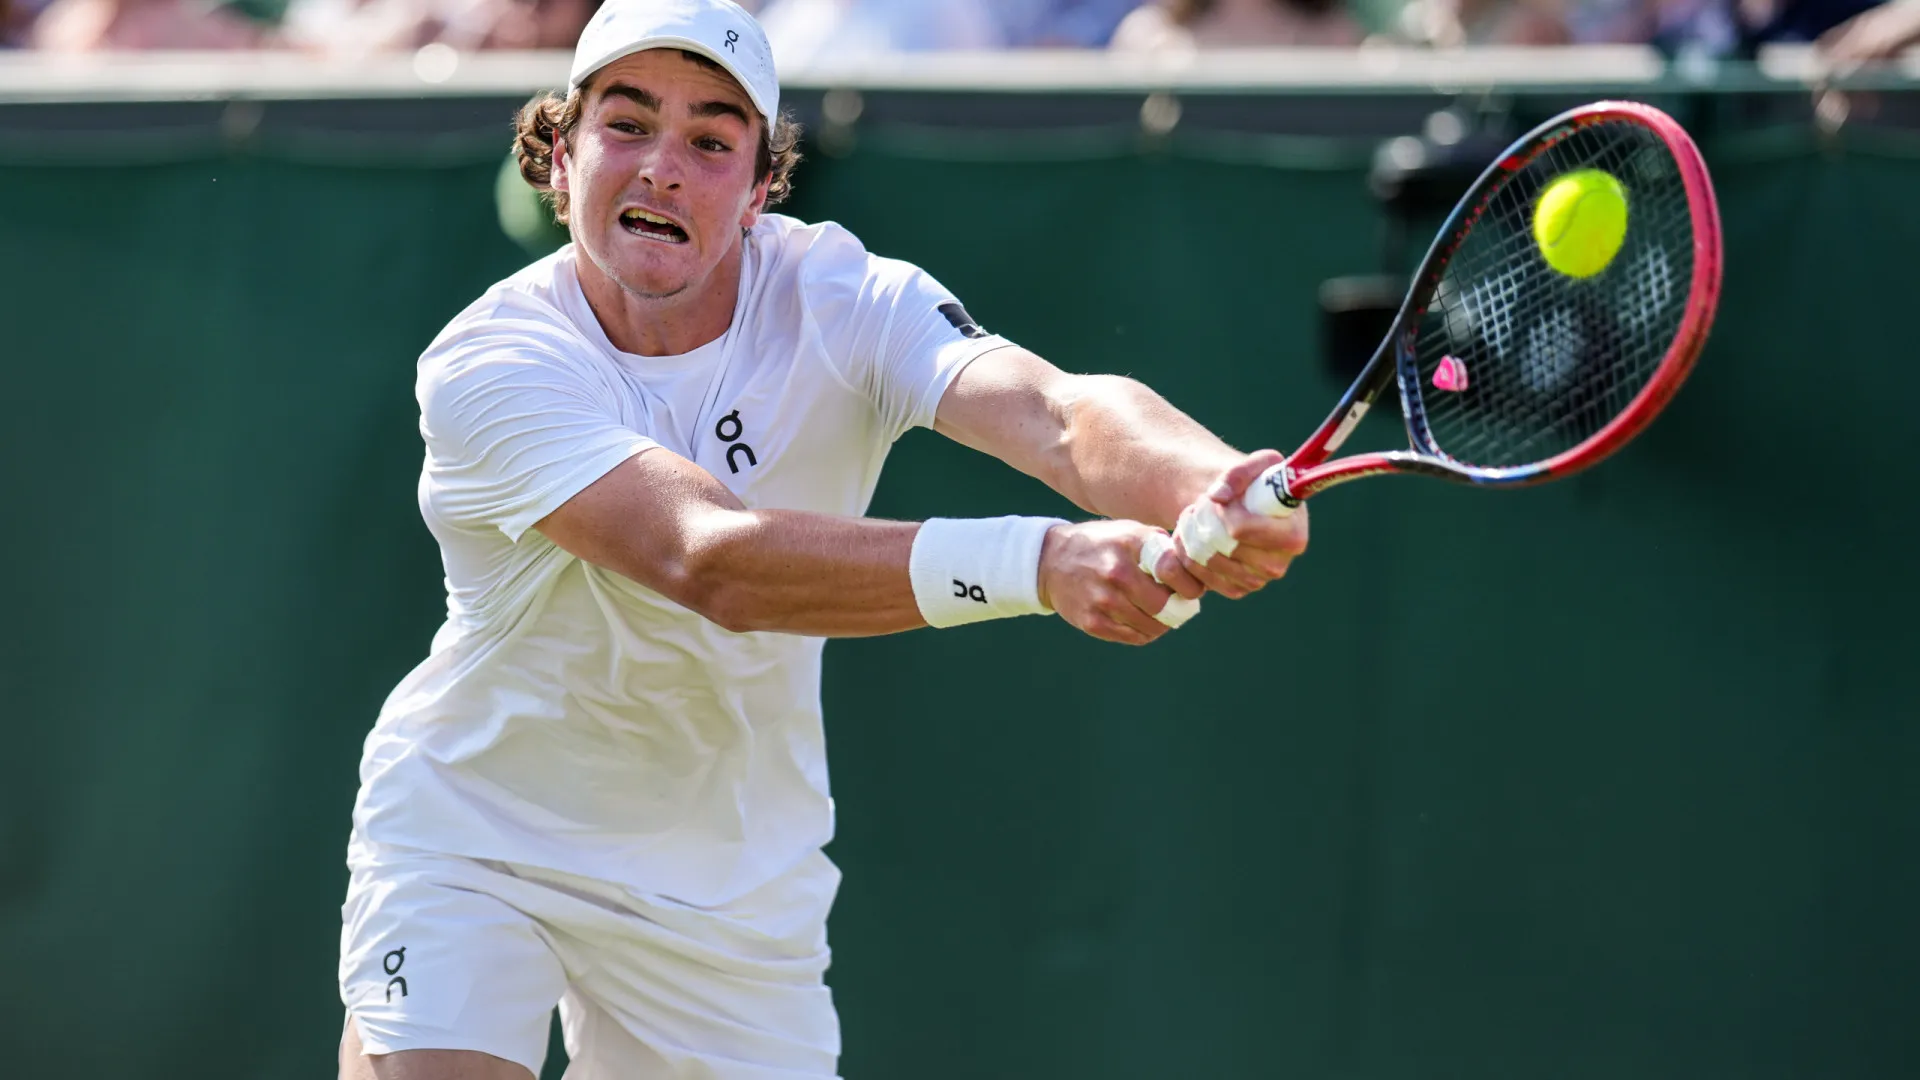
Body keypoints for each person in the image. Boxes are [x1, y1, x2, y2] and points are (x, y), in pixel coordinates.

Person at [335, 1, 1309, 1077]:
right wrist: (1040, 561)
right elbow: (707, 558)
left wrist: (1208, 484)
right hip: (479, 837)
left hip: (732, 887)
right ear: (558, 161)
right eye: (627, 124)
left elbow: (1059, 414)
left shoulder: (841, 297)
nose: (663, 166)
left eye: (711, 140)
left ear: (758, 193)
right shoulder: (489, 366)